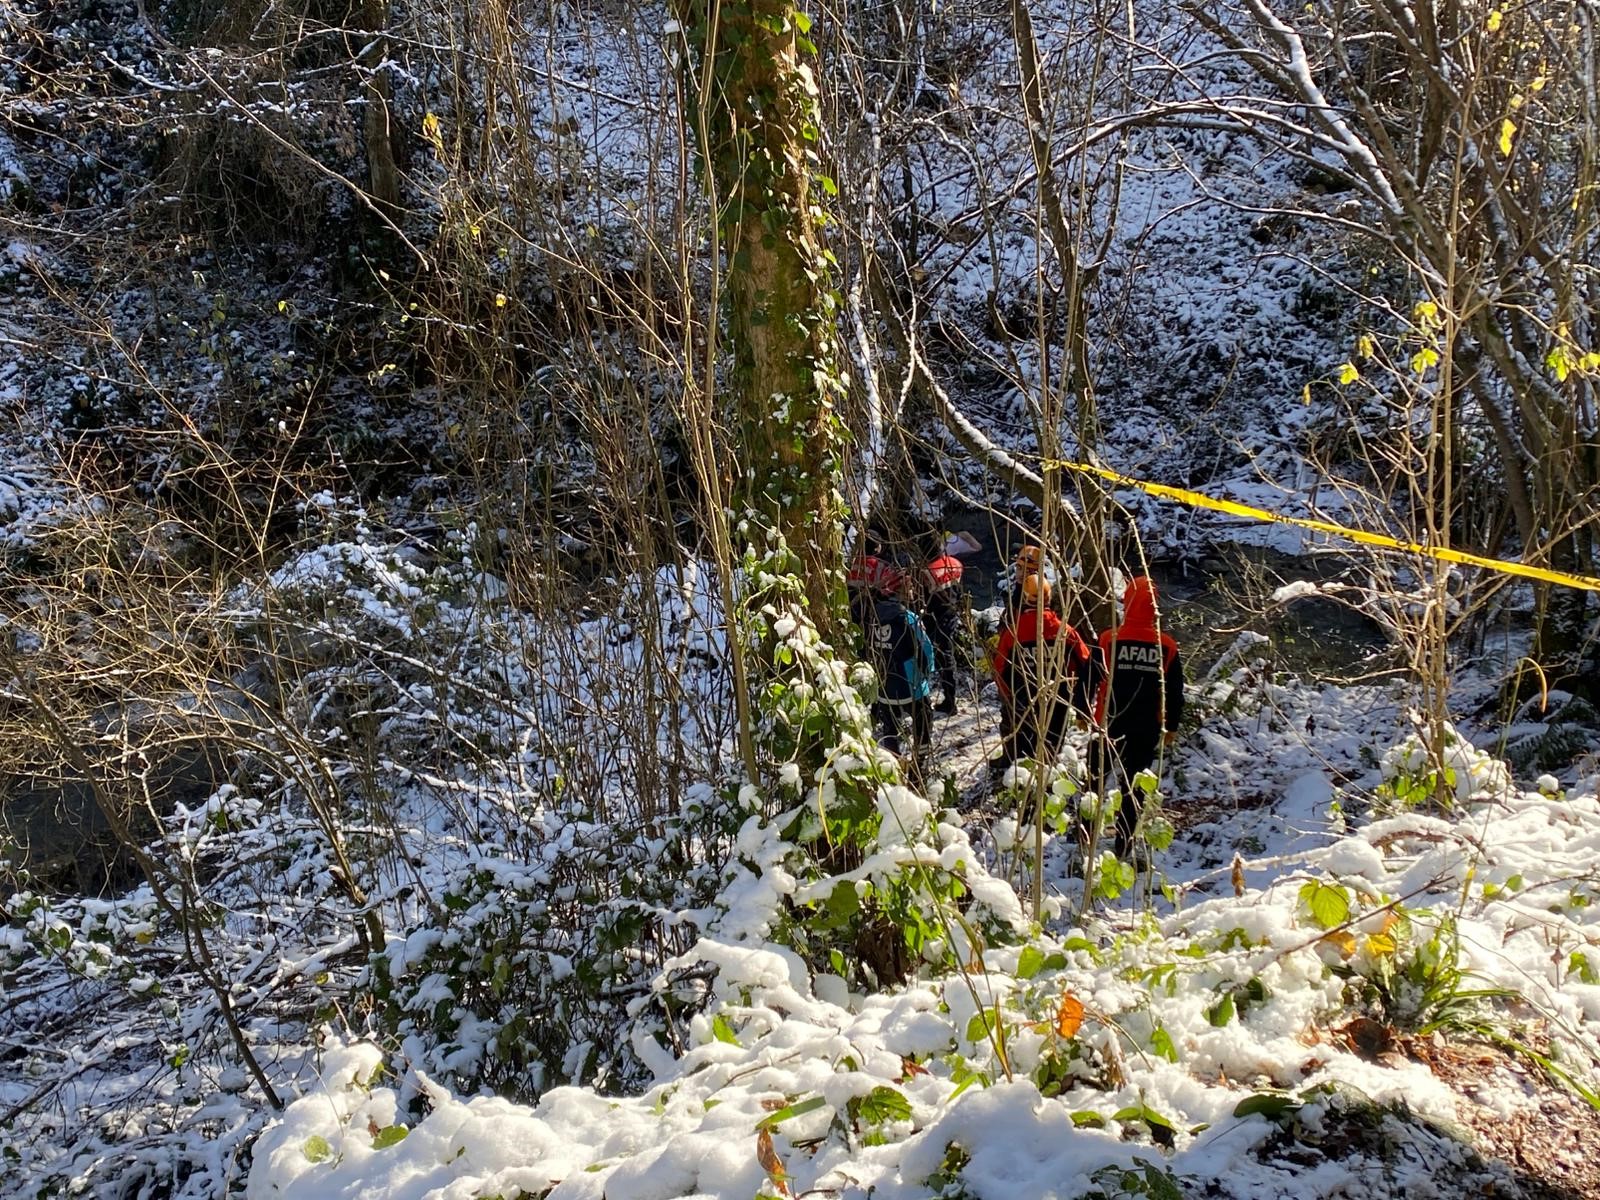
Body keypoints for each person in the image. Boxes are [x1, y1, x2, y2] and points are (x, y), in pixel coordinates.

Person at [1089, 575, 1185, 855]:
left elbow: (1091, 677)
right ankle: (1124, 844)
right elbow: (1174, 692)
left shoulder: (1108, 639)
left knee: (1095, 779)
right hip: (1146, 727)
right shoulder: (1167, 646)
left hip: (1108, 721)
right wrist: (1171, 726)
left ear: (1127, 604)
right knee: (1134, 787)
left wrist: (1085, 712)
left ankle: (1085, 835)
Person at [991, 575, 1093, 771]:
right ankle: (1046, 784)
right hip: (1058, 699)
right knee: (1050, 749)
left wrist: (1009, 697)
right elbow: (1085, 664)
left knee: (1019, 750)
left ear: (1025, 597)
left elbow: (1000, 668)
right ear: (1049, 598)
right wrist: (1080, 701)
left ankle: (1017, 782)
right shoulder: (1064, 630)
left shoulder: (1013, 632)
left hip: (1022, 700)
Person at [868, 589, 936, 757]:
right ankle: (920, 765)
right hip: (911, 684)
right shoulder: (908, 618)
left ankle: (893, 763)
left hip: (884, 684)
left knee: (890, 728)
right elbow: (925, 648)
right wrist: (927, 673)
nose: (912, 590)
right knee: (923, 722)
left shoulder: (871, 616)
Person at [920, 532, 968, 714]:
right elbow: (960, 593)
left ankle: (948, 702)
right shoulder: (955, 564)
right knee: (947, 657)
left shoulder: (927, 573)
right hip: (951, 615)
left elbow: (922, 600)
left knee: (940, 658)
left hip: (934, 620)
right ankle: (949, 698)